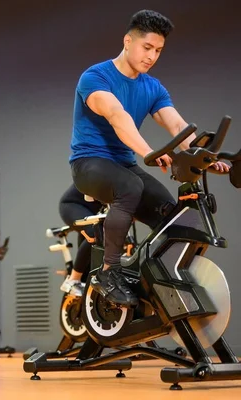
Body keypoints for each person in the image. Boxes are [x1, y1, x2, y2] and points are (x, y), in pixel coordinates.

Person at [68, 10, 229, 307]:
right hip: (89, 163)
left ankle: (148, 277)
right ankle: (108, 273)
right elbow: (118, 117)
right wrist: (148, 153)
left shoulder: (153, 87)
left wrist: (206, 157)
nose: (152, 56)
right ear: (128, 41)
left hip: (124, 165)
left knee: (173, 216)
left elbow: (179, 128)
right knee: (129, 187)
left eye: (158, 50)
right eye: (147, 48)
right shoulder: (95, 77)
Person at [58, 183, 102, 297]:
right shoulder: (111, 169)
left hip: (91, 211)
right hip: (72, 205)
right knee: (95, 234)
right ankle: (72, 280)